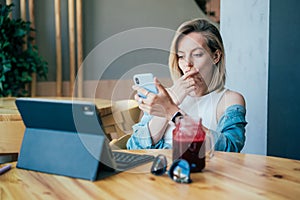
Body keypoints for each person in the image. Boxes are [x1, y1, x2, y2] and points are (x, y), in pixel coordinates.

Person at [126, 18, 247, 152]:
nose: (187, 64)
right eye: (181, 56)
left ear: (216, 56)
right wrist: (169, 102)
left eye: (197, 54)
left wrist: (172, 111)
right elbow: (135, 147)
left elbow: (229, 149)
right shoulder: (165, 96)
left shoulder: (229, 100)